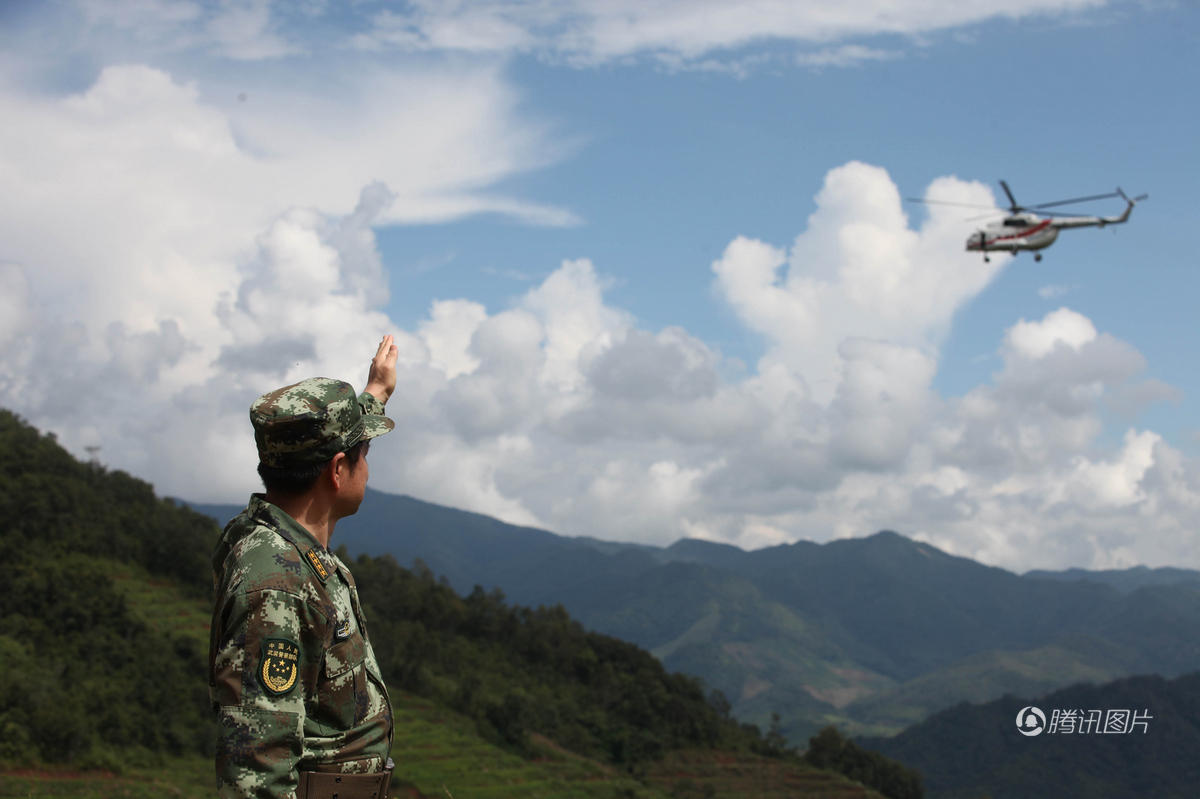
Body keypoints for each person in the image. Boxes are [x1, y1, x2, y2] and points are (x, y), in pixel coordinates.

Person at [209, 336, 400, 799]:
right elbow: (257, 769)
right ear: (337, 471)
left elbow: (328, 437)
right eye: (364, 455)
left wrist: (376, 391)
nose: (368, 469)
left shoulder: (281, 542)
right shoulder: (277, 583)